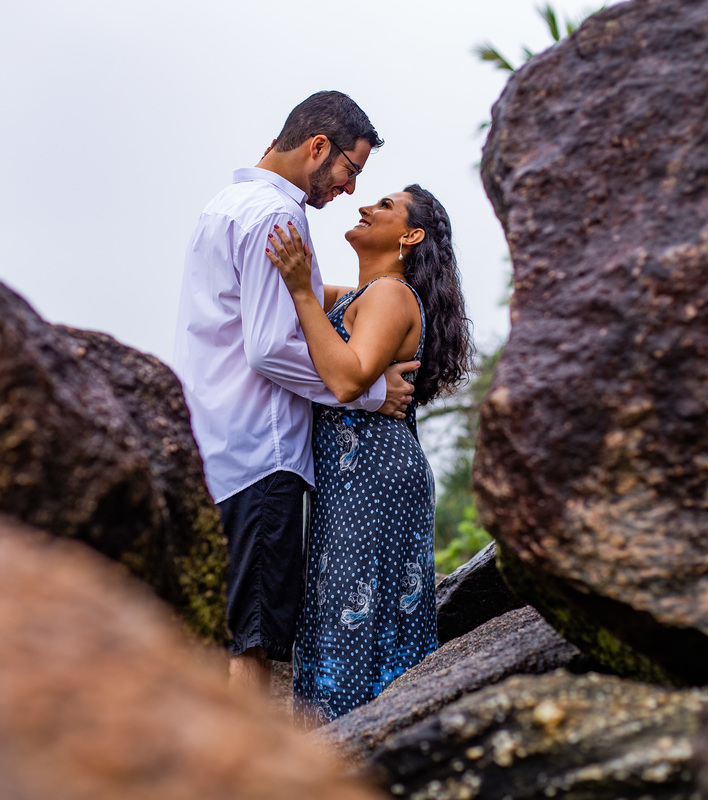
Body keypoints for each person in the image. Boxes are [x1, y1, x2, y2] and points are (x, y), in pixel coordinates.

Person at [172, 91, 418, 697]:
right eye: (349, 170)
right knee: (250, 644)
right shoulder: (280, 218)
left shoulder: (224, 207)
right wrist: (365, 395)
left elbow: (278, 312)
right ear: (318, 148)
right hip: (262, 453)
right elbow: (269, 347)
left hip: (212, 442)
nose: (348, 189)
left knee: (218, 632)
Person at [264, 184, 473, 726]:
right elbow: (300, 300)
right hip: (356, 479)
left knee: (351, 618)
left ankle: (357, 752)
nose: (364, 206)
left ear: (409, 235)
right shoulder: (364, 295)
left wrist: (303, 295)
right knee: (345, 613)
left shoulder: (391, 295)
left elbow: (347, 377)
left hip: (375, 476)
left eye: (383, 205)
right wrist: (296, 281)